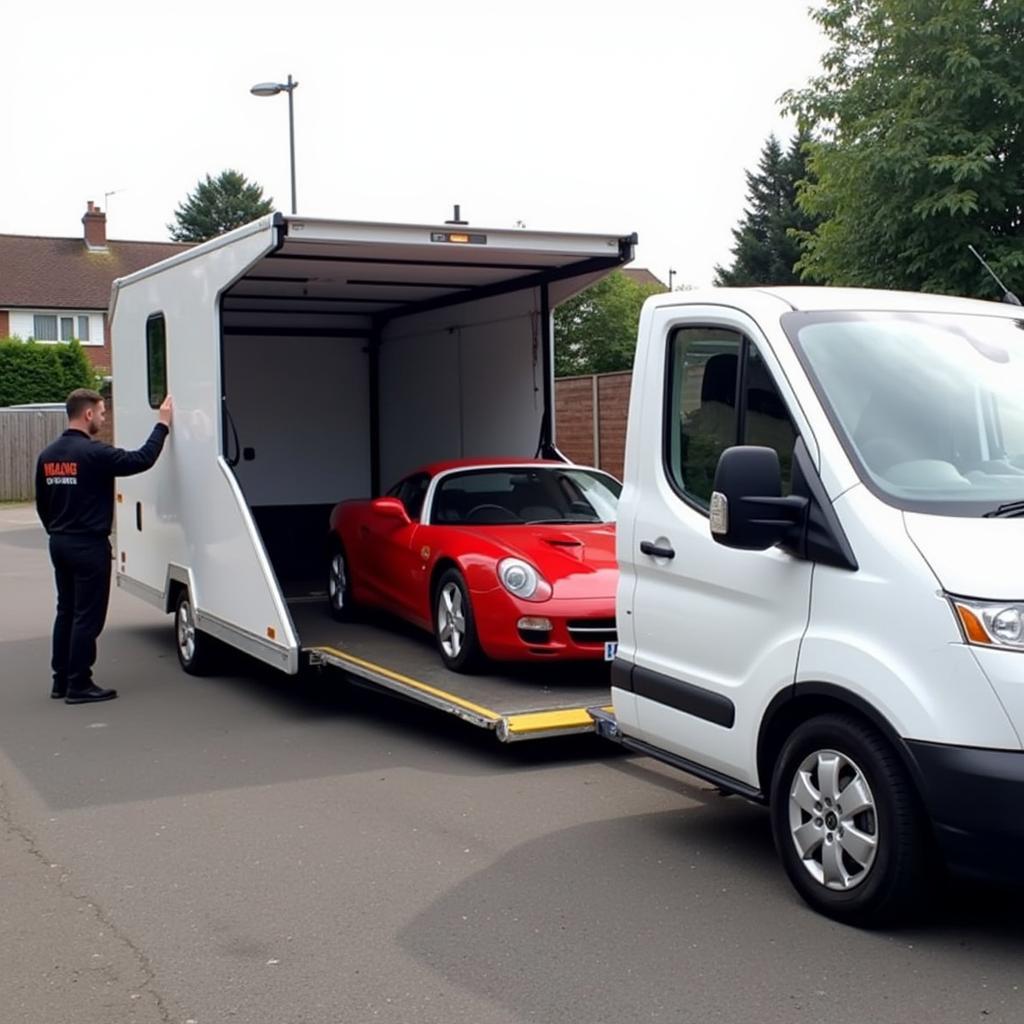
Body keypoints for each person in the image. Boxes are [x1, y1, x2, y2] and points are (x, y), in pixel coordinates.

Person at [35, 388, 173, 704]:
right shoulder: (93, 454)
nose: (102, 418)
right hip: (88, 546)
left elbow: (43, 504)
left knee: (66, 610)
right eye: (100, 413)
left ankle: (61, 681)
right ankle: (80, 684)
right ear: (87, 414)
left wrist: (57, 531)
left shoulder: (48, 456)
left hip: (60, 542)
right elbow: (141, 459)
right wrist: (162, 424)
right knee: (87, 616)